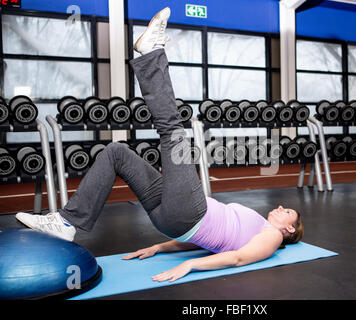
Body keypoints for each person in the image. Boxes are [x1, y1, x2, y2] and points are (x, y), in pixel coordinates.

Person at [15, 7, 304, 283]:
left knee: (173, 131)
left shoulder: (273, 236)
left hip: (191, 213)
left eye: (287, 212)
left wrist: (190, 266)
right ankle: (67, 223)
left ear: (289, 228)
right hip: (175, 218)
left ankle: (152, 52)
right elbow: (210, 242)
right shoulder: (259, 228)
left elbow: (239, 258)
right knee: (117, 152)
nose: (281, 207)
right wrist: (160, 248)